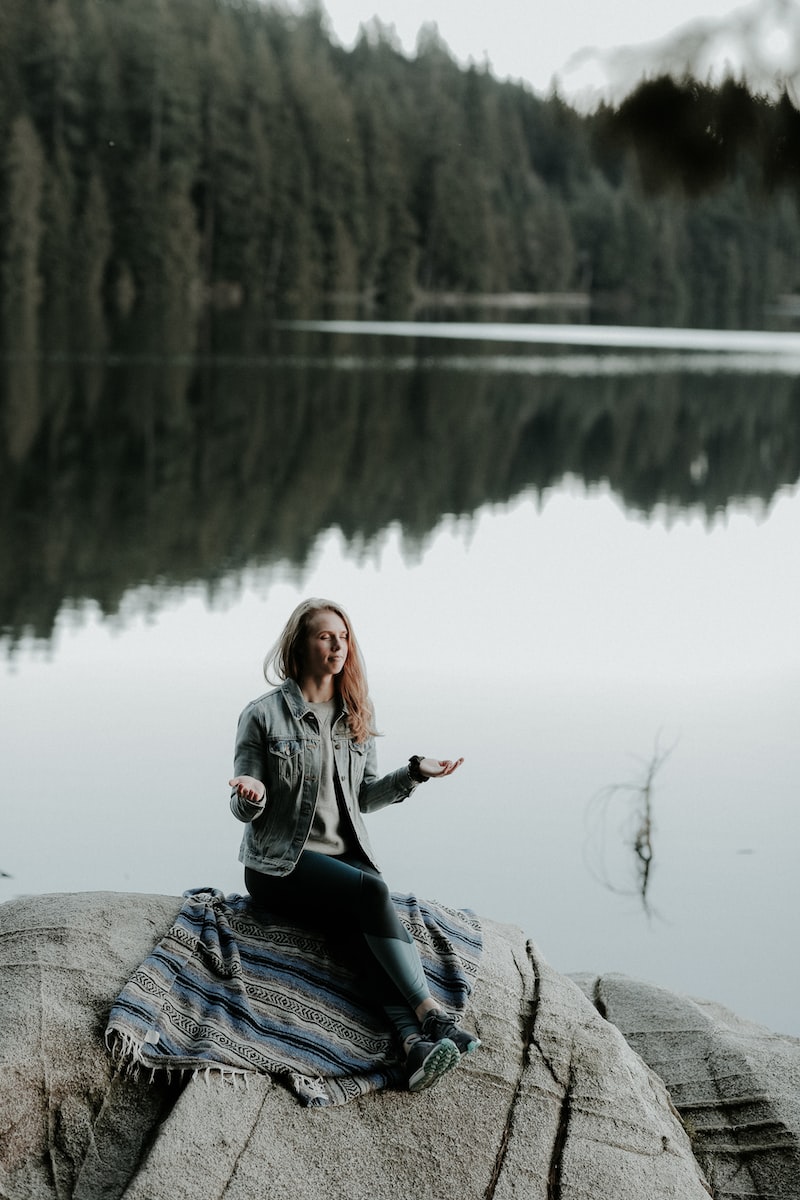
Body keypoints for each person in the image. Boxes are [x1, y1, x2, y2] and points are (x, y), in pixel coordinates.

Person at [228, 597, 480, 1092]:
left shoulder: (354, 715)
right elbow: (242, 801)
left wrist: (412, 774)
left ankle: (413, 1048)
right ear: (299, 644)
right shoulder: (262, 716)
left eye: (343, 637)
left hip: (340, 861)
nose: (338, 645)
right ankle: (432, 1014)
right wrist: (251, 797)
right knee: (373, 894)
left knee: (355, 938)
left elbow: (364, 797)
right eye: (325, 636)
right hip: (280, 866)